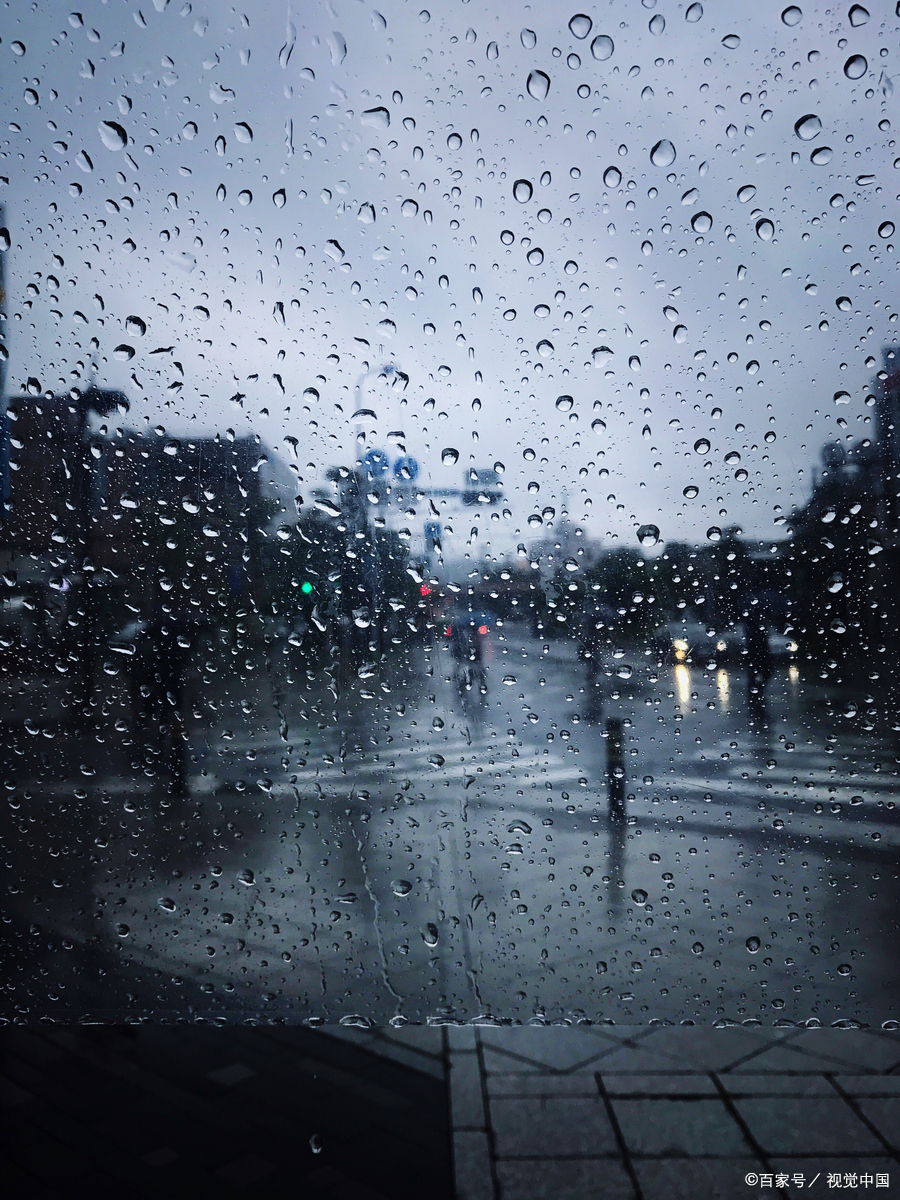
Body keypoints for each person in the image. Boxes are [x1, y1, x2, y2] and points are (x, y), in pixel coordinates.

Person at [448, 615, 486, 694]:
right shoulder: (468, 632)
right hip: (470, 652)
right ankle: (480, 681)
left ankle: (478, 681)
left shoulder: (463, 629)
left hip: (472, 652)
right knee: (472, 666)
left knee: (467, 665)